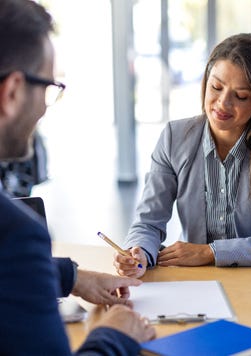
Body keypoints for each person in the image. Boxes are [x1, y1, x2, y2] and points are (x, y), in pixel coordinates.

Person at [0, 0, 155, 354]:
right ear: (11, 93)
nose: (44, 106)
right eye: (48, 87)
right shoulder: (16, 235)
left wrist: (71, 277)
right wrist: (116, 335)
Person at [114, 33, 251, 278]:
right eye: (216, 87)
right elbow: (148, 223)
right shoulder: (173, 138)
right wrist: (139, 252)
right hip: (195, 280)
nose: (222, 104)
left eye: (240, 96)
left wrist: (211, 252)